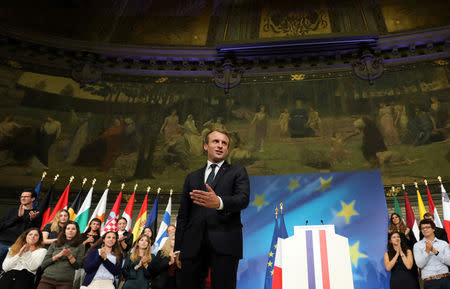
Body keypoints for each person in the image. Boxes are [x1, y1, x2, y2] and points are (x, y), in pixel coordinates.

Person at [175, 129, 250, 289]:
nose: (220, 146)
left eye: (224, 143)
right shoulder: (192, 177)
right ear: (205, 146)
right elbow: (183, 215)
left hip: (225, 242)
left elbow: (242, 200)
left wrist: (220, 203)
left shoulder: (238, 172)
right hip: (192, 245)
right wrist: (178, 248)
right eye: (216, 141)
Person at [37, 221, 85, 289]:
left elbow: (77, 266)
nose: (70, 231)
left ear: (77, 231)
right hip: (47, 279)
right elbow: (44, 264)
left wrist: (69, 256)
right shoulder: (55, 243)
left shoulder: (81, 246)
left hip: (65, 282)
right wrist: (58, 256)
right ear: (64, 231)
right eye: (68, 228)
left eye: (73, 229)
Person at [0, 189, 40, 268]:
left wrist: (32, 220)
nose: (23, 198)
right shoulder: (13, 210)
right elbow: (2, 225)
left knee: (8, 269)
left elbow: (34, 233)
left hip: (19, 245)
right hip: (3, 243)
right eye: (22, 196)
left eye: (26, 196)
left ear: (33, 199)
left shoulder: (36, 213)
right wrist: (17, 217)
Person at [414, 219, 450, 288]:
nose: (425, 229)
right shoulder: (417, 245)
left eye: (427, 227)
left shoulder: (443, 243)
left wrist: (436, 252)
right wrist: (427, 251)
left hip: (446, 279)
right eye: (422, 228)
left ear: (433, 229)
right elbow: (420, 264)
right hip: (430, 281)